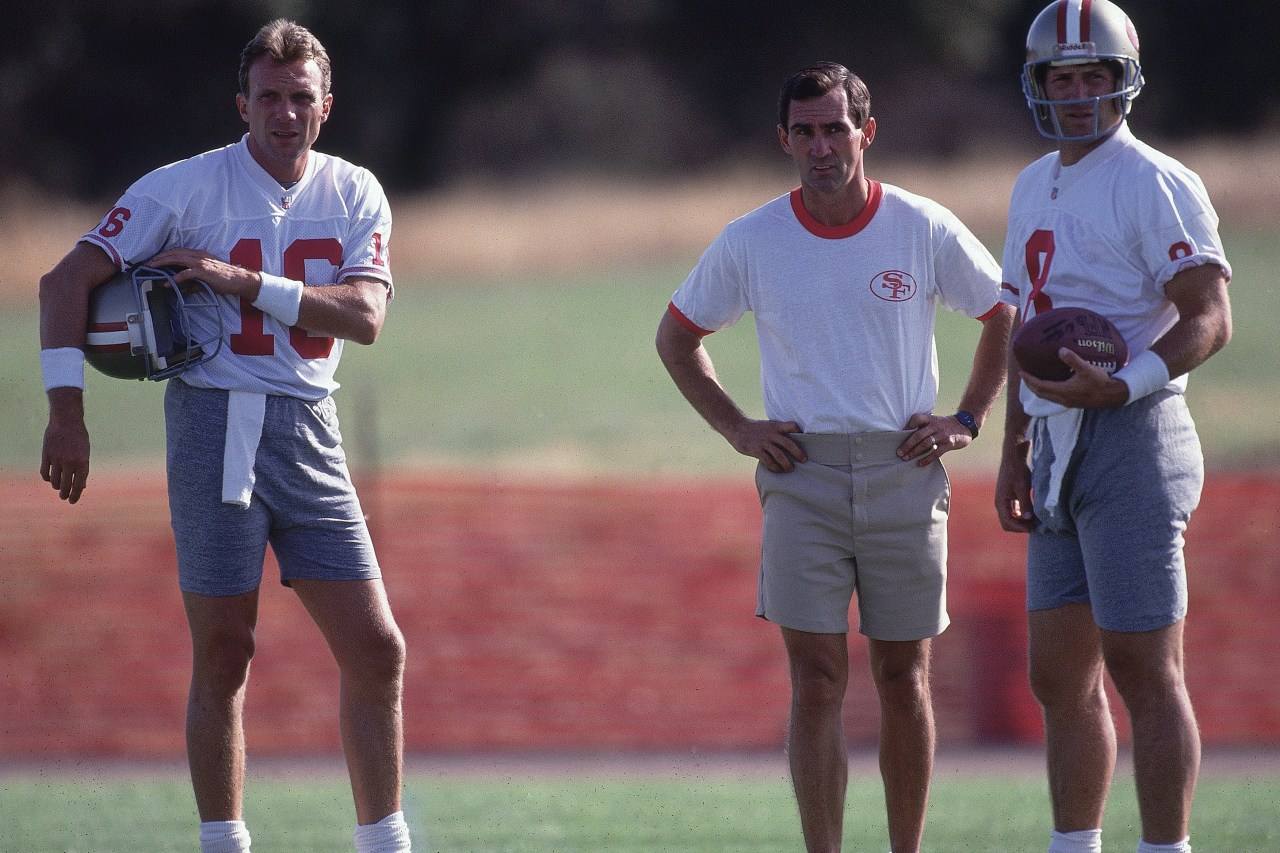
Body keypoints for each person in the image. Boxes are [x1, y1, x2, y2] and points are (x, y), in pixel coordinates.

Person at [38, 20, 412, 853]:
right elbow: (65, 281)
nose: (284, 113)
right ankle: (224, 843)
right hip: (213, 421)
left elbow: (366, 315)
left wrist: (234, 279)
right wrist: (67, 410)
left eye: (300, 97)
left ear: (326, 108)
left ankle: (386, 842)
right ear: (242, 103)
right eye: (268, 96)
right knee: (224, 651)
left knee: (378, 647)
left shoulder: (355, 190)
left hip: (311, 427)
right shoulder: (185, 187)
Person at [656, 62, 1014, 853]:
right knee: (816, 680)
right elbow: (677, 338)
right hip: (800, 476)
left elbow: (1004, 314)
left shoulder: (922, 225)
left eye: (836, 128)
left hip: (905, 469)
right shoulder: (752, 238)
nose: (822, 146)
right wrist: (738, 429)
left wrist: (967, 416)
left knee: (902, 677)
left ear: (867, 132)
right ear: (784, 139)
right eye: (806, 131)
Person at [995, 3, 1233, 853]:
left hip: (1133, 436)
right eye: (1064, 76)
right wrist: (1013, 449)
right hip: (1056, 444)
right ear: (1039, 84)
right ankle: (1076, 845)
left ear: (1124, 79)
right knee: (1058, 675)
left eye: (1095, 74)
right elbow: (1030, 328)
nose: (1080, 91)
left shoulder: (1154, 177)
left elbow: (1209, 315)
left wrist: (1124, 383)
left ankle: (1167, 848)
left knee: (1143, 669)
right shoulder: (1032, 182)